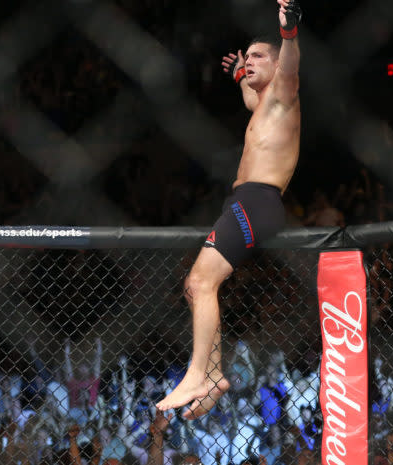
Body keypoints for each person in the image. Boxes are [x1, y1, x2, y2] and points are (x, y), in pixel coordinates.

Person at [156, 0, 302, 420]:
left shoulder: (285, 93)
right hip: (244, 202)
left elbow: (289, 66)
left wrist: (288, 33)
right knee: (197, 287)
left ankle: (197, 374)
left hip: (257, 203)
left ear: (276, 66)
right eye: (248, 55)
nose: (251, 60)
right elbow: (249, 98)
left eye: (259, 56)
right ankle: (215, 376)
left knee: (200, 282)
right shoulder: (264, 105)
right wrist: (242, 75)